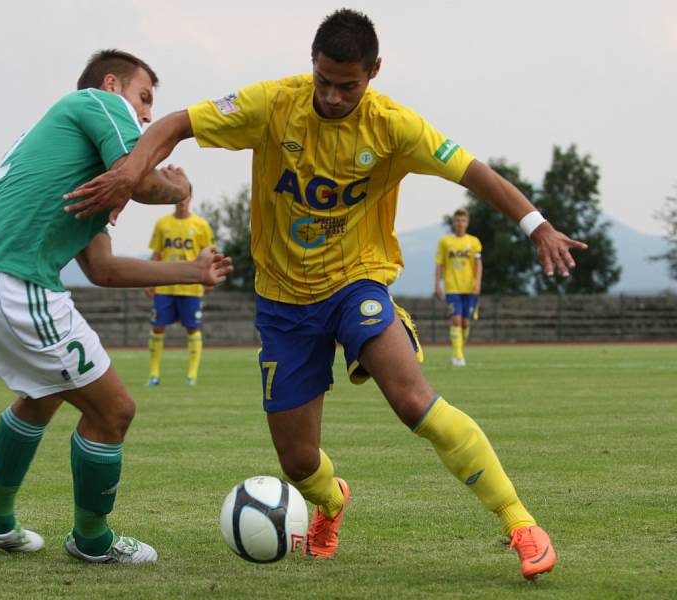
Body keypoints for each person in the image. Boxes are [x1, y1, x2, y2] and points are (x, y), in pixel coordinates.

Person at [64, 11, 587, 580]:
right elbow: (174, 123)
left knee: (413, 401)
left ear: (374, 73)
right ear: (311, 65)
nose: (334, 97)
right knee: (297, 461)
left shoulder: (394, 126)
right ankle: (332, 503)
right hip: (283, 303)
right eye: (324, 81)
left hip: (355, 282)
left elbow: (473, 173)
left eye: (349, 85)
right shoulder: (272, 103)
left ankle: (520, 523)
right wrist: (130, 171)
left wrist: (537, 226)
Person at [0, 49, 232, 565]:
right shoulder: (98, 102)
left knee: (43, 395)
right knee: (114, 410)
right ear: (112, 83)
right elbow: (142, 180)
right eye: (143, 98)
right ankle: (93, 541)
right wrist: (181, 188)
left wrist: (191, 272)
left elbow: (102, 268)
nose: (146, 115)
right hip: (10, 277)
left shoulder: (80, 160)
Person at [145, 186, 216, 386]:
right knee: (157, 327)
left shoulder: (201, 225)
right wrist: (150, 279)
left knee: (193, 328)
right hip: (165, 286)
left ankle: (191, 375)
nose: (181, 201)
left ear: (191, 198)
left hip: (191, 287)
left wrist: (208, 275)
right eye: (179, 197)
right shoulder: (162, 224)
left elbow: (210, 254)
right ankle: (154, 374)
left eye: (185, 197)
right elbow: (157, 254)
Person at [435, 208, 483, 366]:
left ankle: (459, 348)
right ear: (453, 222)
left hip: (469, 288)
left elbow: (478, 264)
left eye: (463, 220)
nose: (460, 223)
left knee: (465, 323)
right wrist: (437, 285)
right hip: (452, 288)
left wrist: (477, 282)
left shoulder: (474, 241)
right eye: (457, 220)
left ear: (467, 223)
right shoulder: (445, 242)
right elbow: (439, 264)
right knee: (455, 320)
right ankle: (458, 355)